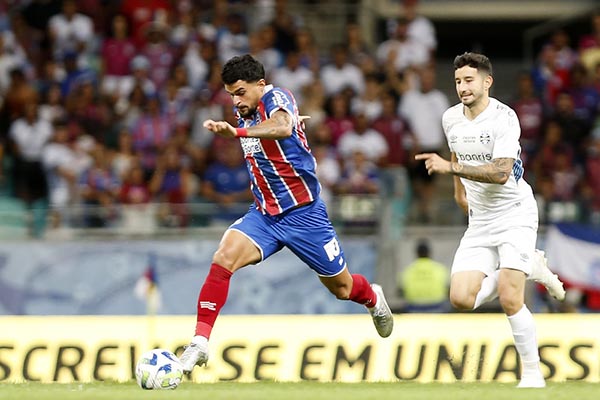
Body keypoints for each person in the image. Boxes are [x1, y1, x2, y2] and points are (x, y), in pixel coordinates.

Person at [179, 54, 394, 372]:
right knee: (223, 257)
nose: (236, 101)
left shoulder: (276, 98)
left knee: (343, 288)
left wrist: (241, 133)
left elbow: (281, 125)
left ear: (260, 85)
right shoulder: (248, 113)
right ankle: (199, 343)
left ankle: (372, 297)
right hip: (265, 215)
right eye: (230, 94)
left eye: (240, 92)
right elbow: (284, 126)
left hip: (305, 215)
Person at [415, 52, 566, 388]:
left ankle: (532, 375)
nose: (462, 87)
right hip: (480, 220)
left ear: (487, 82)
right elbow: (455, 150)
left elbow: (500, 173)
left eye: (469, 80)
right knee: (461, 298)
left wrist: (450, 169)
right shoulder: (451, 118)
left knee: (511, 298)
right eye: (457, 81)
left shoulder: (504, 118)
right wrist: (458, 191)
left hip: (515, 213)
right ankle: (531, 267)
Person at [397, 239, 449, 312]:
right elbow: (447, 288)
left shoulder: (408, 271)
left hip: (414, 307)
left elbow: (401, 291)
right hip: (437, 307)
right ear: (429, 253)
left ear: (417, 253)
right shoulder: (440, 269)